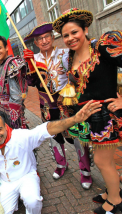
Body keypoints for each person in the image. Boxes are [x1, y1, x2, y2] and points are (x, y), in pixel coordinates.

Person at [53, 8, 122, 213]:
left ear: (85, 29)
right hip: (90, 117)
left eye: (75, 32)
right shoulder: (70, 57)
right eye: (65, 35)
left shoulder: (103, 46)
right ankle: (111, 191)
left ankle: (116, 201)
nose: (70, 38)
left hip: (106, 116)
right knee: (104, 160)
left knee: (101, 161)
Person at [0, 101, 101, 214]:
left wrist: (75, 119)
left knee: (33, 201)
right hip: (6, 182)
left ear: (5, 126)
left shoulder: (20, 137)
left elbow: (47, 129)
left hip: (26, 177)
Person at [22, 23, 92, 189]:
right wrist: (30, 65)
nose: (44, 41)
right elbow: (32, 83)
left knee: (78, 136)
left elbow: (78, 74)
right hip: (46, 104)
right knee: (53, 136)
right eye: (40, 39)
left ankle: (86, 171)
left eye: (47, 36)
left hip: (68, 103)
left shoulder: (66, 53)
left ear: (53, 38)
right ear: (36, 43)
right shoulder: (34, 58)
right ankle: (61, 165)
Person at [0, 35, 28, 129]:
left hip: (13, 112)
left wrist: (12, 117)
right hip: (1, 109)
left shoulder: (13, 64)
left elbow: (17, 96)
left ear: (6, 48)